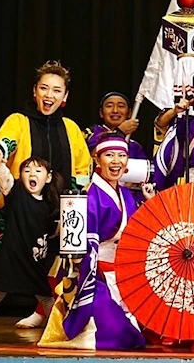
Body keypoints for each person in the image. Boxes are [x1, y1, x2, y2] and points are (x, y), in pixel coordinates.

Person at [0, 60, 91, 328]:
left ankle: (51, 318)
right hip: (16, 210)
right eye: (44, 88)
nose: (49, 95)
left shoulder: (72, 129)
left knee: (62, 270)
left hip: (56, 216)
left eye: (56, 90)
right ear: (35, 91)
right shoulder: (19, 121)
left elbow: (84, 169)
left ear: (65, 96)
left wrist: (72, 205)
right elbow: (5, 143)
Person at [39, 132, 151, 350]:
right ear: (96, 158)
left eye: (122, 155)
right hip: (93, 275)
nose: (116, 161)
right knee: (122, 336)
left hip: (123, 273)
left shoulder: (126, 195)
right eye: (109, 155)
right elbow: (82, 251)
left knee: (151, 331)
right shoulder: (89, 196)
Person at [0, 157, 59, 344]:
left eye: (38, 171)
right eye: (27, 171)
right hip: (12, 258)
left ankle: (57, 329)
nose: (32, 174)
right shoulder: (16, 194)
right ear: (20, 176)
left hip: (34, 261)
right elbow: (4, 179)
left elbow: (52, 233)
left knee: (46, 297)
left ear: (48, 177)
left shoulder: (49, 205)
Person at [85, 91, 146, 160]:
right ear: (101, 113)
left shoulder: (135, 147)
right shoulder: (91, 133)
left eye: (121, 106)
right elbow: (93, 159)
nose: (115, 110)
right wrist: (119, 133)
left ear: (129, 113)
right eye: (109, 106)